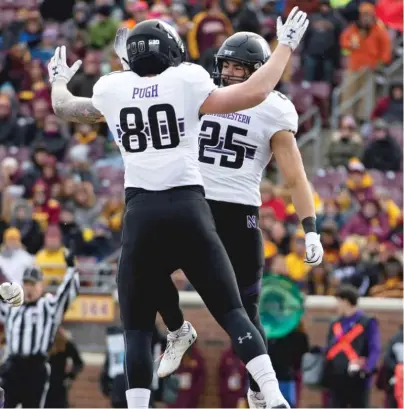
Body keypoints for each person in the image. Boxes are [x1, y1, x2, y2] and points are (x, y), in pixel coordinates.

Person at [48, 12, 309, 408]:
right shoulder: (188, 80)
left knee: (135, 323)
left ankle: (174, 341)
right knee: (234, 310)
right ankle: (271, 395)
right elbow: (254, 93)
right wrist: (285, 46)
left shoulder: (112, 87)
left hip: (144, 210)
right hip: (190, 205)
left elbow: (66, 108)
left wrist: (58, 80)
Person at [156, 31, 324, 408]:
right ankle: (178, 330)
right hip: (192, 203)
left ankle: (258, 389)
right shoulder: (200, 91)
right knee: (141, 270)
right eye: (227, 65)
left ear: (259, 70)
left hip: (238, 213)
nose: (230, 73)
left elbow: (295, 176)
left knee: (245, 310)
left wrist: (310, 228)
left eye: (240, 67)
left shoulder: (274, 107)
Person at [0, 253, 79, 408]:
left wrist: (70, 268)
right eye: (26, 284)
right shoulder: (12, 307)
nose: (29, 288)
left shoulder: (48, 307)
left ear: (41, 286)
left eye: (33, 284)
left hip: (35, 366)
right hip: (13, 364)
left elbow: (66, 294)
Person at [323, 284, 381, 408]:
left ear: (345, 301)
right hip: (336, 377)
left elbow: (374, 348)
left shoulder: (367, 322)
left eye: (338, 301)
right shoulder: (336, 323)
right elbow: (330, 347)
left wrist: (367, 369)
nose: (336, 305)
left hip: (357, 378)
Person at [45, 327, 84, 408]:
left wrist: (70, 377)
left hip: (58, 386)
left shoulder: (64, 342)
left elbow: (79, 363)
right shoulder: (39, 342)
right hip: (42, 385)